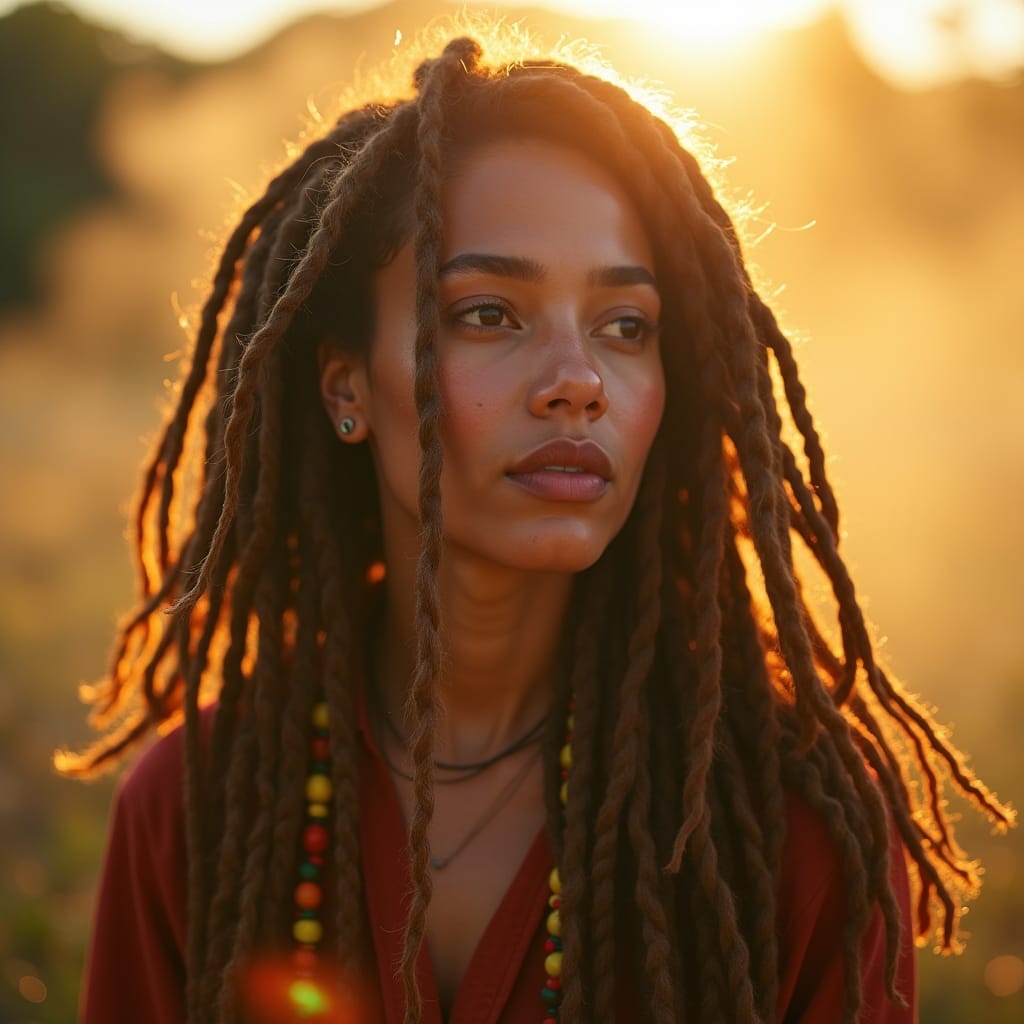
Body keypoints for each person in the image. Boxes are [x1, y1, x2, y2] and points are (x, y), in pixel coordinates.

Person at [61, 24, 1012, 1024]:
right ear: (347, 385)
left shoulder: (789, 826)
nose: (576, 382)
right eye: (488, 313)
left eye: (625, 327)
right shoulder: (192, 811)